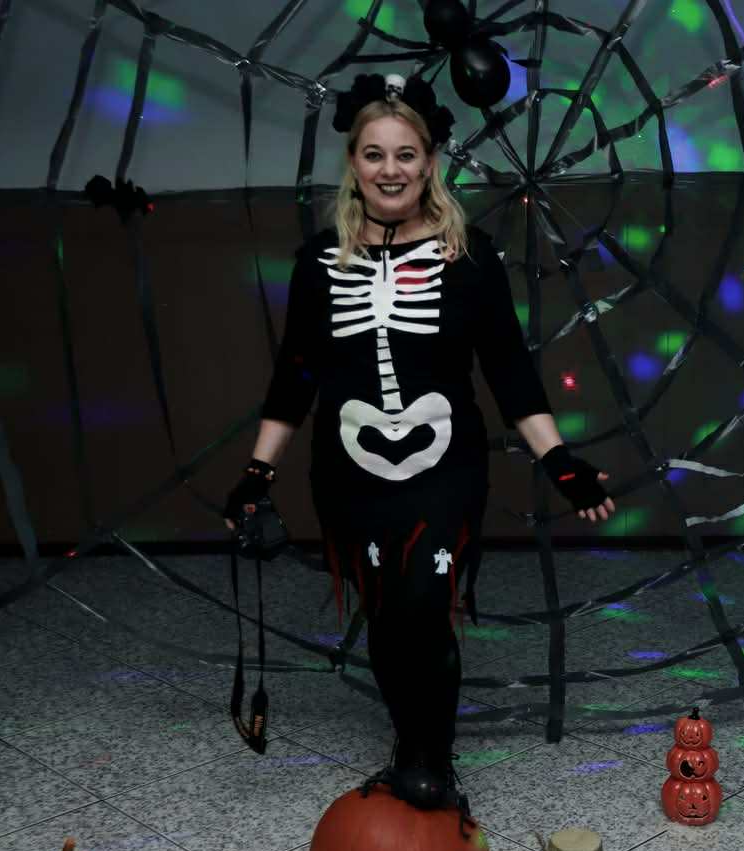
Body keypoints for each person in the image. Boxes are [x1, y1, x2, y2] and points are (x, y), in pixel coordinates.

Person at [224, 72, 614, 809]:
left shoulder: (472, 257)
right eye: (374, 154)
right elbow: (295, 376)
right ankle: (411, 741)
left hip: (445, 464)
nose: (390, 170)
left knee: (425, 605)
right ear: (353, 163)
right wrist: (257, 472)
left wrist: (558, 460)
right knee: (384, 609)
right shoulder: (318, 262)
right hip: (349, 469)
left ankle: (433, 754)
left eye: (406, 154)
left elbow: (509, 371)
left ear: (430, 161)